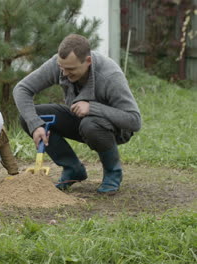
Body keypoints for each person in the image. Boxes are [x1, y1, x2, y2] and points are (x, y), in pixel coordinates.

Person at [13, 34, 141, 194]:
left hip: (114, 129)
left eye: (71, 69)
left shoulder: (109, 75)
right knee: (30, 118)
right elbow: (22, 89)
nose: (64, 74)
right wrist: (35, 124)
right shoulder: (61, 65)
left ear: (88, 61)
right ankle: (73, 169)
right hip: (81, 119)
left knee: (91, 125)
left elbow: (134, 121)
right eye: (62, 68)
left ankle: (112, 173)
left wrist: (92, 108)